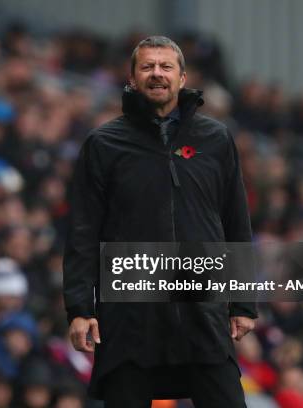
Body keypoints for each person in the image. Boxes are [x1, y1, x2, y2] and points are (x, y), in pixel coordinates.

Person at [63, 36, 258, 407]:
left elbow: (236, 221)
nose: (157, 74)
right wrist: (80, 309)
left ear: (182, 78)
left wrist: (243, 301)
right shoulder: (103, 144)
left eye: (166, 66)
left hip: (203, 312)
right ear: (132, 79)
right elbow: (83, 231)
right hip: (130, 317)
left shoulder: (216, 139)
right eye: (147, 66)